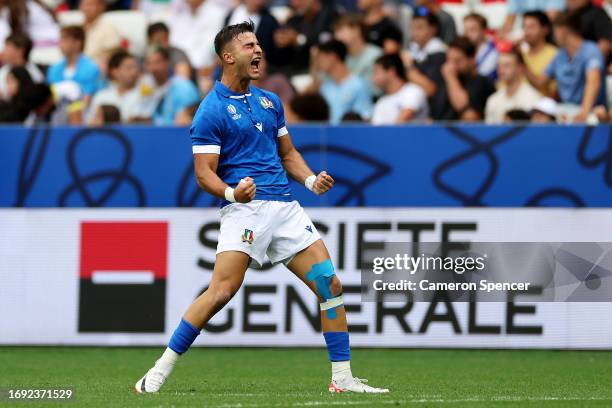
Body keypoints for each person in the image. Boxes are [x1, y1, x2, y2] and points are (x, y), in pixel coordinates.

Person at [134, 21, 389, 395]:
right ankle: (158, 370)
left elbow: (288, 153)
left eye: (258, 45)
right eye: (249, 45)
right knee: (221, 292)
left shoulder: (270, 101)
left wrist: (309, 180)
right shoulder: (211, 111)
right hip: (245, 211)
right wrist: (233, 193)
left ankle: (342, 378)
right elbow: (204, 175)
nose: (258, 51)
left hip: (286, 207)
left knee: (329, 283)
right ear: (227, 56)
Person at [533, 12, 607, 123]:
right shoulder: (560, 55)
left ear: (563, 30)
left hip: (591, 111)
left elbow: (593, 82)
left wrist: (584, 113)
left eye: (555, 31)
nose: (554, 36)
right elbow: (540, 82)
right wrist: (521, 63)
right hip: (565, 110)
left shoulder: (591, 51)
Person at [431, 37, 496, 121]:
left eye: (457, 61)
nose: (451, 66)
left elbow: (461, 105)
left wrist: (451, 78)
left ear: (472, 59)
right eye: (448, 60)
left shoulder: (482, 82)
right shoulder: (444, 82)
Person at [313, 39, 373, 124]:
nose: (318, 63)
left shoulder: (358, 85)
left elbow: (364, 117)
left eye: (320, 58)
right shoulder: (324, 87)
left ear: (332, 57)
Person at [272, 0, 338, 75]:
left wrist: (299, 39)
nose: (294, 3)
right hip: (294, 73)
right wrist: (280, 40)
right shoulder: (294, 20)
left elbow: (326, 46)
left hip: (323, 73)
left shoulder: (331, 16)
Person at [141, 46, 200, 125]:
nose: (153, 68)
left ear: (167, 62)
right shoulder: (143, 87)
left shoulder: (184, 87)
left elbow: (189, 120)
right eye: (149, 63)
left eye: (157, 62)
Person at [46, 26, 103, 101]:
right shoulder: (54, 69)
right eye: (60, 40)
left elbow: (88, 98)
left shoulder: (91, 68)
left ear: (78, 42)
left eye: (65, 39)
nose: (60, 44)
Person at [87, 50, 146, 123]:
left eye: (135, 67)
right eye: (129, 68)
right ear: (115, 72)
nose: (134, 72)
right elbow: (90, 122)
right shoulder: (101, 96)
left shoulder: (145, 95)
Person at [485, 49, 541, 124]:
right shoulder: (493, 100)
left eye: (507, 66)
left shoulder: (534, 98)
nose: (501, 70)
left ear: (520, 68)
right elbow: (489, 131)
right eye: (499, 66)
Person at [371, 53, 429, 124]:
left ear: (391, 72)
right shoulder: (381, 102)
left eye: (376, 72)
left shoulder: (413, 91)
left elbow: (403, 120)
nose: (373, 78)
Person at [333, 14, 383, 94]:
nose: (337, 35)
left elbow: (376, 89)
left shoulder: (376, 54)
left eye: (341, 30)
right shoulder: (342, 59)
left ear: (356, 30)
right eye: (335, 32)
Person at [521, 11, 558, 96]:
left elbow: (552, 92)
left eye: (532, 27)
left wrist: (520, 61)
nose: (527, 32)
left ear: (545, 30)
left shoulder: (555, 54)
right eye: (524, 27)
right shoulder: (521, 53)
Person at [0, 33, 43, 100]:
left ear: (20, 51)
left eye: (7, 47)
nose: (3, 51)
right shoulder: (3, 70)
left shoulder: (34, 73)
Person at [80, 0, 122, 66]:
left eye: (90, 5)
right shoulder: (77, 27)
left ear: (101, 7)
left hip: (96, 69)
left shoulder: (109, 28)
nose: (86, 8)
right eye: (83, 5)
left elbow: (112, 54)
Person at [498, 0, 564, 40]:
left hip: (549, 32)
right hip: (525, 30)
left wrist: (525, 36)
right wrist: (503, 37)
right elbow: (509, 22)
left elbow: (550, 19)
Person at [463, 13, 499, 80]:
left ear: (484, 30)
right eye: (466, 30)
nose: (467, 34)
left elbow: (484, 75)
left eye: (472, 29)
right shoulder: (463, 48)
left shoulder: (495, 49)